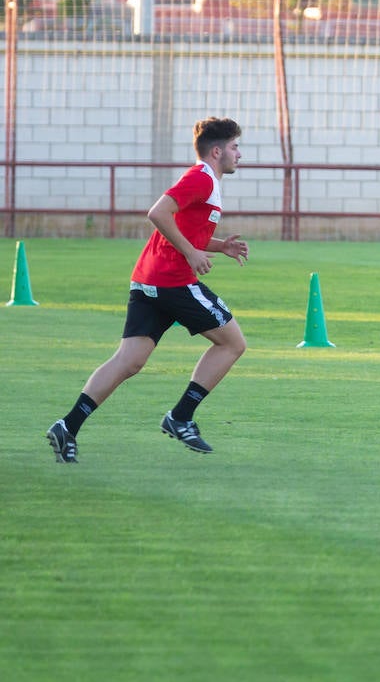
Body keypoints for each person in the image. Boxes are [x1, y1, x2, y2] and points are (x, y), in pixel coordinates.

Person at [45, 117, 249, 462]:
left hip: (148, 279)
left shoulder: (205, 180)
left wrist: (216, 247)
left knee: (130, 360)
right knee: (232, 343)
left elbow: (182, 226)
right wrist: (191, 252)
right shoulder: (200, 178)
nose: (239, 154)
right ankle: (181, 416)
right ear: (217, 151)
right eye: (234, 147)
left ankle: (68, 426)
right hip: (172, 280)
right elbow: (158, 213)